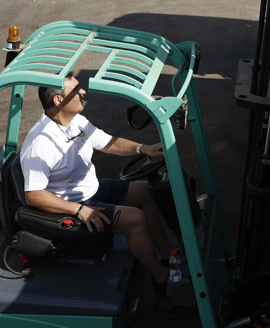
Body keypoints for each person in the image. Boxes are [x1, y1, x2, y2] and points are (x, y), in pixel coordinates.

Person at [19, 73, 177, 291]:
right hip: (73, 207)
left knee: (144, 190)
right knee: (136, 219)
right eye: (76, 90)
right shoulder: (40, 142)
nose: (82, 92)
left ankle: (170, 255)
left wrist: (143, 148)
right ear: (58, 100)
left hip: (91, 190)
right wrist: (80, 210)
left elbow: (109, 144)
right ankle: (162, 278)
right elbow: (34, 195)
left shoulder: (76, 122)